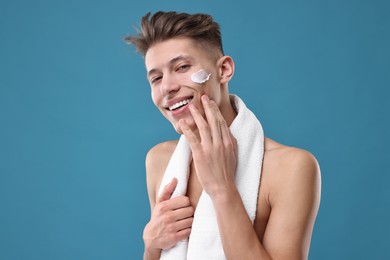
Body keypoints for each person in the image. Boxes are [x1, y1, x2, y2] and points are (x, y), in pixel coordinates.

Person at [126, 11, 321, 260]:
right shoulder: (159, 160)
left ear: (224, 70)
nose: (167, 87)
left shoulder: (291, 168)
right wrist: (152, 244)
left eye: (182, 67)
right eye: (156, 78)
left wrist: (222, 189)